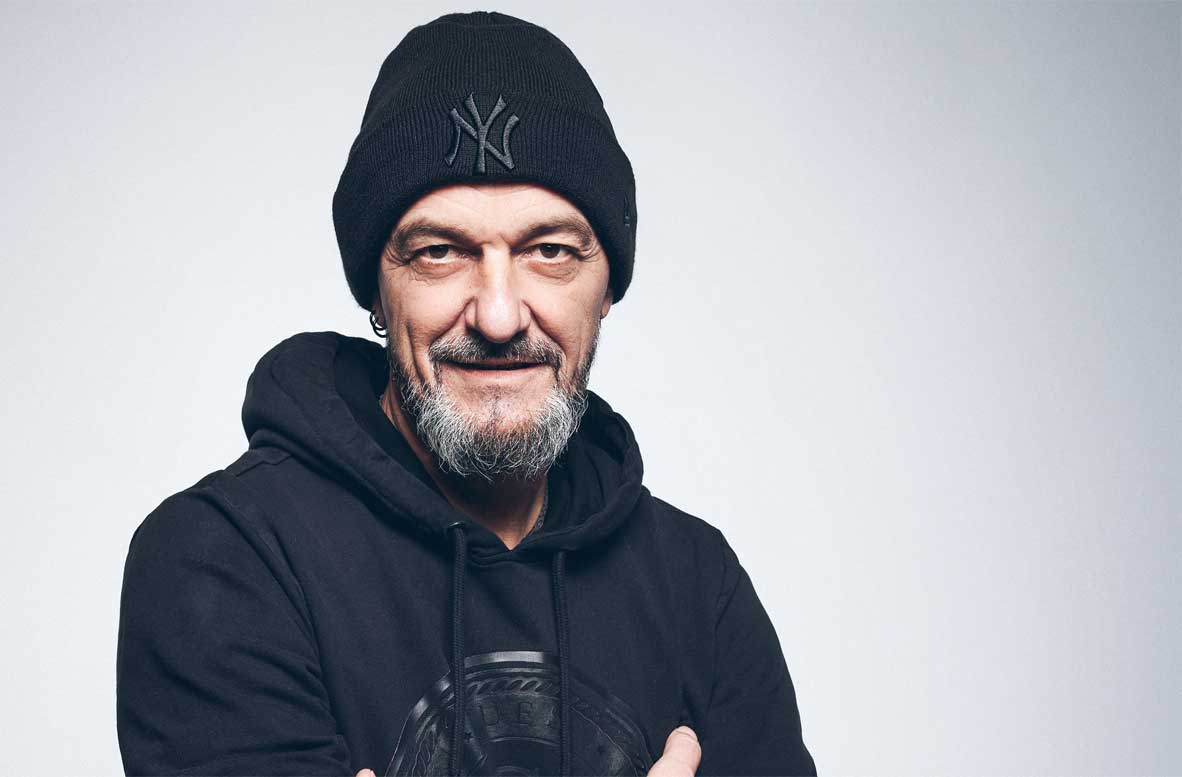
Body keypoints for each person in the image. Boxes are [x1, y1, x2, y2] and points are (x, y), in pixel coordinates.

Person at [115, 10, 816, 777]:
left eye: (550, 250)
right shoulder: (227, 558)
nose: (499, 315)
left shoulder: (698, 586)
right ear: (377, 292)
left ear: (607, 287)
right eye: (440, 252)